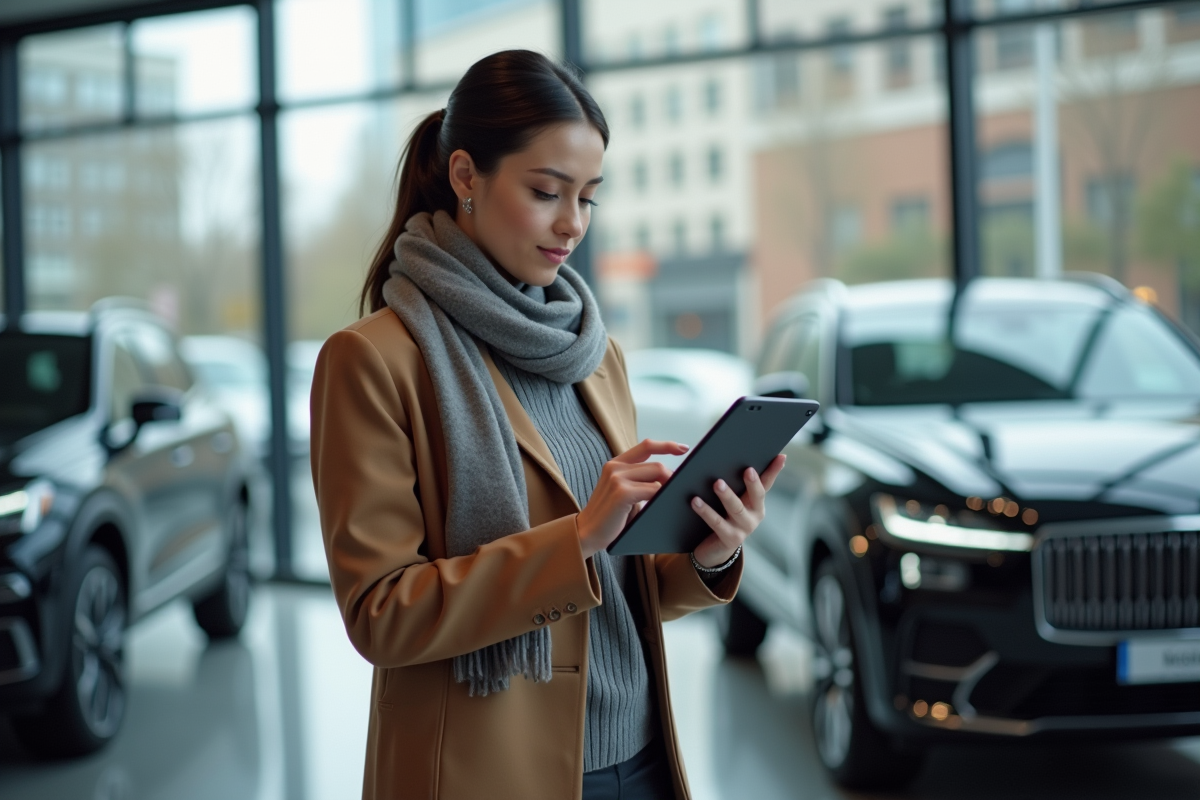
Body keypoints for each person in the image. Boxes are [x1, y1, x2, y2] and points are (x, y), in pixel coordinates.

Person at [310, 50, 785, 800]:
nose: (572, 224)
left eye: (588, 198)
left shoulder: (596, 355)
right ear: (466, 176)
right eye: (545, 191)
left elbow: (620, 586)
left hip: (644, 757)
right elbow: (380, 615)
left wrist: (710, 551)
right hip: (489, 773)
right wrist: (575, 539)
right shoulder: (373, 362)